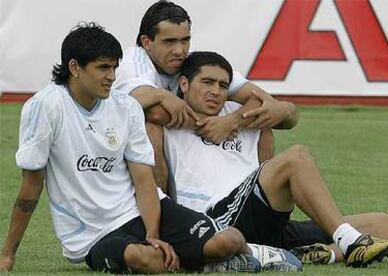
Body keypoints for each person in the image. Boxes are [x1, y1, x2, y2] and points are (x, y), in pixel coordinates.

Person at [0, 23, 302, 274]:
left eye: (115, 67)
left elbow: (144, 179)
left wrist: (153, 234)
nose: (112, 77)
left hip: (144, 211)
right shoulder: (45, 107)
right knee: (147, 260)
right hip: (94, 235)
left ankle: (249, 256)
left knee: (227, 239)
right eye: (103, 68)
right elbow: (30, 189)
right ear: (74, 67)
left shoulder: (126, 106)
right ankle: (208, 264)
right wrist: (7, 254)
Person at [160, 51, 388, 268]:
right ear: (183, 83)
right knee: (296, 157)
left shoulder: (241, 114)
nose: (215, 91)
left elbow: (289, 112)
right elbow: (137, 103)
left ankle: (324, 252)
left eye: (223, 85)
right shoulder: (168, 119)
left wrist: (232, 121)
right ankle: (349, 241)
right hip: (216, 219)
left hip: (260, 216)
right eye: (207, 82)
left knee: (383, 225)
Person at [113, 0, 298, 191]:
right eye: (169, 42)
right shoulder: (134, 63)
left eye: (185, 40)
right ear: (146, 42)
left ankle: (263, 203)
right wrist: (166, 98)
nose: (179, 50)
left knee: (261, 126)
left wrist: (231, 121)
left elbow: (263, 101)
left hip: (178, 142)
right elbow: (153, 112)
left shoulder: (192, 62)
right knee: (150, 129)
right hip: (109, 153)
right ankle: (161, 211)